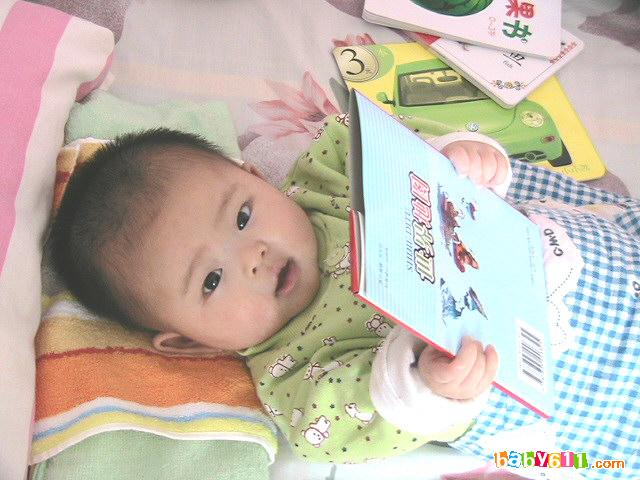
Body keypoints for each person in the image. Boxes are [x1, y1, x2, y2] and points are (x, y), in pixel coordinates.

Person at [51, 115, 639, 477]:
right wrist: (426, 384)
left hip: (600, 250)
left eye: (244, 215)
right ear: (188, 343)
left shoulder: (334, 176)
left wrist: (458, 157)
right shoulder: (295, 378)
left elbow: (416, 151)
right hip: (601, 414)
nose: (253, 254)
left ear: (254, 176)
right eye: (211, 280)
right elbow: (364, 420)